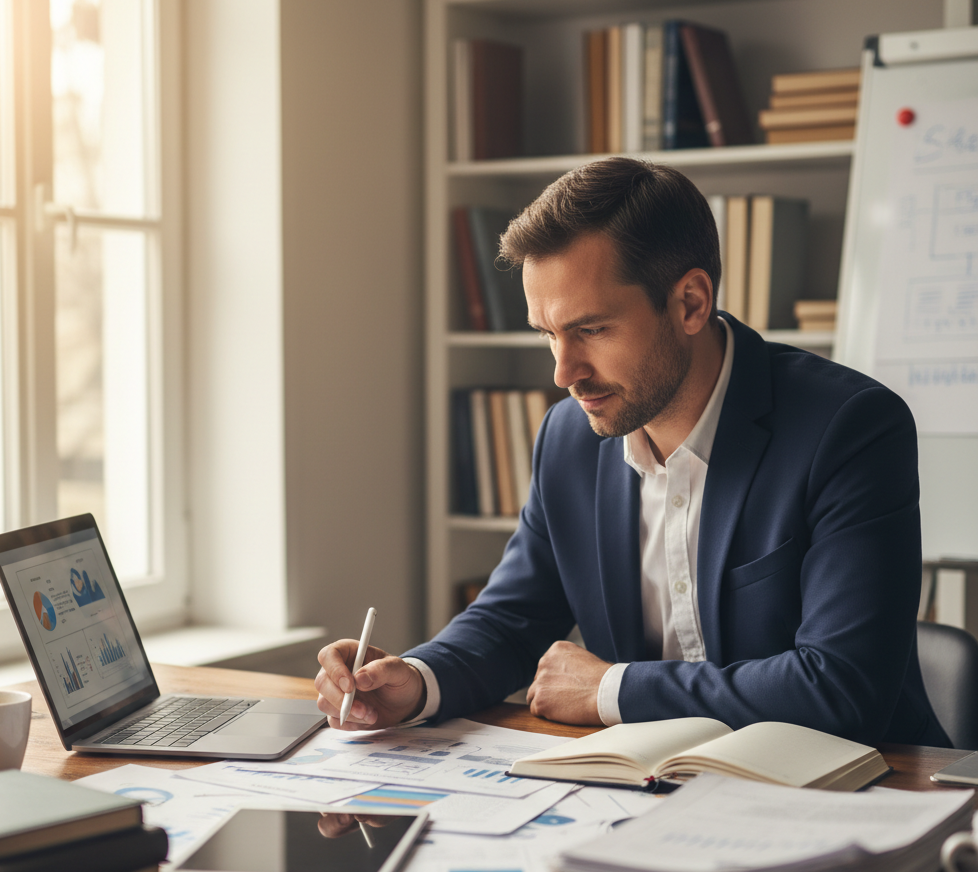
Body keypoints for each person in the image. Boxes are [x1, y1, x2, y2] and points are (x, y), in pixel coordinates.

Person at [315, 158, 949, 747]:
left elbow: (842, 687)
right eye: (548, 335)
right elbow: (511, 620)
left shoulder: (849, 428)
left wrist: (610, 690)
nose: (564, 373)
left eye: (591, 330)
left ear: (690, 303)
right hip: (651, 788)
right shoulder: (568, 437)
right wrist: (417, 682)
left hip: (863, 789)